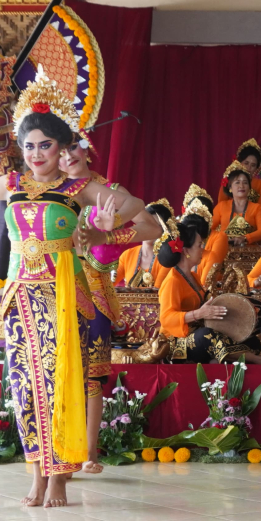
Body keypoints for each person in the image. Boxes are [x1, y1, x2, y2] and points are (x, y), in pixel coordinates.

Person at [0, 69, 146, 508]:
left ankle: (60, 477)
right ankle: (37, 473)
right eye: (30, 145)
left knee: (59, 384)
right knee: (24, 385)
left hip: (61, 295)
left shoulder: (79, 188)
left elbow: (141, 213)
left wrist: (107, 232)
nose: (36, 154)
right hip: (18, 295)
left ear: (63, 148)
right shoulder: (13, 184)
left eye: (46, 145)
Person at [58, 134, 163, 476]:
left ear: (86, 147)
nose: (67, 156)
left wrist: (110, 233)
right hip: (54, 292)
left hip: (96, 294)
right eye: (57, 151)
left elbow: (150, 227)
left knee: (92, 379)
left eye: (72, 146)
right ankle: (57, 452)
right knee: (58, 373)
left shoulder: (109, 192)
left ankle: (89, 452)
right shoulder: (50, 193)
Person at [156, 214, 261, 365]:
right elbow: (166, 318)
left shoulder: (193, 276)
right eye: (199, 245)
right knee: (207, 336)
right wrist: (198, 314)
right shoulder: (172, 281)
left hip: (196, 333)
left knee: (252, 341)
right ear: (186, 251)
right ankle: (258, 360)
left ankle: (218, 359)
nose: (203, 249)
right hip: (176, 344)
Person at [116, 201, 174, 288]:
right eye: (147, 224)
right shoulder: (127, 255)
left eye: (155, 226)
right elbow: (108, 283)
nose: (149, 230)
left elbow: (157, 293)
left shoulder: (167, 259)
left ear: (164, 231)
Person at [217, 139, 261, 205]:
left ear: (256, 168)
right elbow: (221, 205)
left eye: (253, 165)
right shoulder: (229, 180)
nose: (249, 168)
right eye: (246, 163)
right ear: (239, 162)